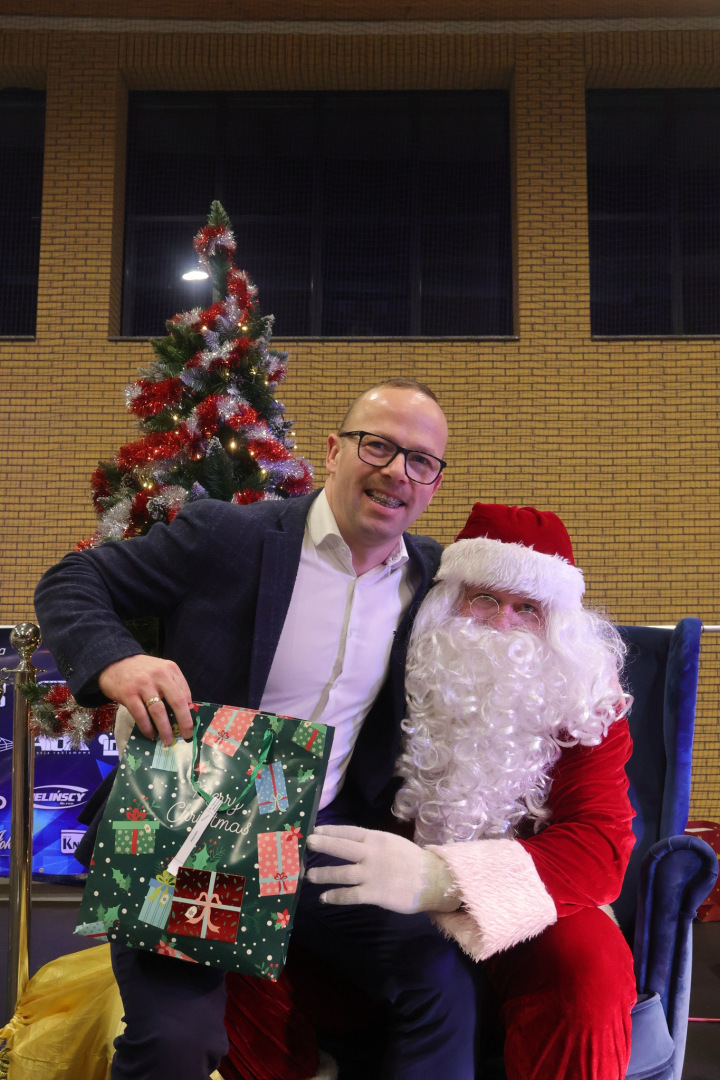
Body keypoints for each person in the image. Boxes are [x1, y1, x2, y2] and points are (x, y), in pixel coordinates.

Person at [34, 379, 484, 1080]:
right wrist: (118, 661)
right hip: (196, 825)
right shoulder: (230, 536)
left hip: (325, 837)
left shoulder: (431, 579)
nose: (398, 471)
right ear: (333, 451)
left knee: (442, 990)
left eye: (421, 460)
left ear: (434, 483)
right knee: (177, 1041)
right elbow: (72, 579)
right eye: (378, 446)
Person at [307, 503, 638, 1080]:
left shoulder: (585, 702)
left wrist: (443, 880)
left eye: (527, 607)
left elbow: (600, 847)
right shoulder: (400, 677)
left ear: (556, 623)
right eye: (484, 598)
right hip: (383, 897)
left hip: (534, 906)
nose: (501, 623)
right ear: (449, 602)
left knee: (590, 971)